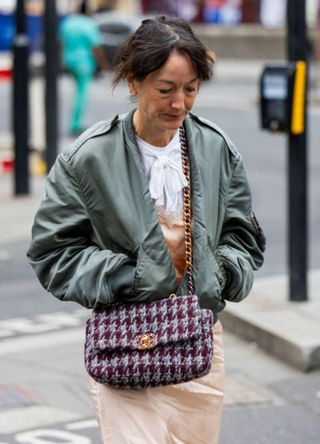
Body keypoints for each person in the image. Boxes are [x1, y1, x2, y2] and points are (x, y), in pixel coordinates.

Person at [27, 15, 265, 444]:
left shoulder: (216, 148)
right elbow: (52, 252)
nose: (180, 103)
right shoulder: (87, 159)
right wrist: (129, 275)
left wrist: (220, 273)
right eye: (166, 89)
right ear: (134, 83)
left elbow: (242, 236)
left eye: (190, 89)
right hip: (125, 340)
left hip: (197, 341)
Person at [59, 0, 109, 136]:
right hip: (83, 63)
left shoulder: (68, 22)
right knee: (81, 94)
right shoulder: (89, 24)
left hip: (69, 60)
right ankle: (75, 124)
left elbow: (61, 42)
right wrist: (103, 64)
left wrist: (61, 60)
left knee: (76, 92)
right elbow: (96, 47)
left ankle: (75, 122)